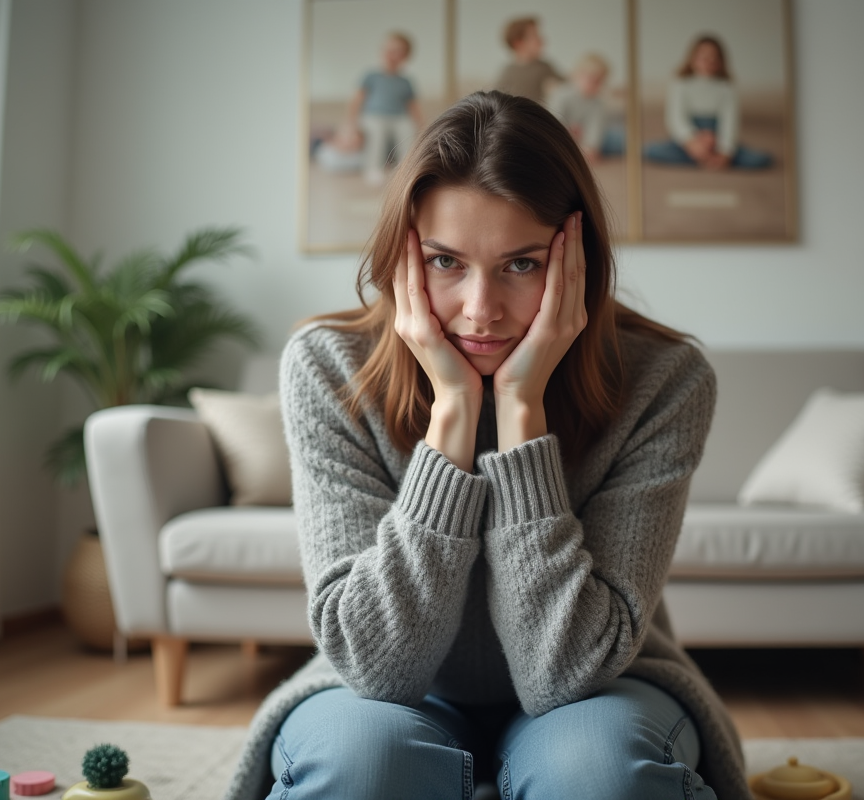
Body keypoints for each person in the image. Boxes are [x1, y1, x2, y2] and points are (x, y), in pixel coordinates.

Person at [222, 91, 751, 800]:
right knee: (363, 767)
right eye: (445, 261)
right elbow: (378, 670)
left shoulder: (665, 380)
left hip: (600, 688)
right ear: (403, 256)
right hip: (387, 696)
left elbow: (565, 673)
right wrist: (454, 415)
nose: (481, 310)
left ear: (577, 260)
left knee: (599, 776)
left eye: (521, 265)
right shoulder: (327, 366)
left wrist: (522, 410)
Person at [643, 35, 772, 170]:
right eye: (703, 56)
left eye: (714, 57)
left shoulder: (726, 88)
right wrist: (692, 142)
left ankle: (711, 160)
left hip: (717, 138)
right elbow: (676, 119)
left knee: (758, 159)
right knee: (652, 151)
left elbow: (730, 122)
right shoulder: (681, 84)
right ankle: (706, 159)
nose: (709, 61)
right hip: (688, 140)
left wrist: (725, 151)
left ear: (721, 61)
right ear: (692, 58)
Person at [345, 31, 425, 185]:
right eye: (389, 49)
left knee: (407, 129)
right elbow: (356, 101)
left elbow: (413, 107)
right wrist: (351, 124)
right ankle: (373, 168)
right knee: (376, 130)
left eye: (398, 51)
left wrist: (422, 127)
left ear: (405, 56)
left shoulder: (406, 82)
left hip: (399, 117)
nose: (392, 54)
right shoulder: (371, 76)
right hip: (373, 116)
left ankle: (405, 170)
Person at [547, 52, 625, 163]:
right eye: (591, 79)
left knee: (620, 138)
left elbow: (595, 128)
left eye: (599, 81)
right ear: (577, 75)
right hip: (562, 137)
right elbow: (553, 120)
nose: (595, 84)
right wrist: (568, 130)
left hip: (588, 139)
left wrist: (590, 148)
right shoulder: (561, 94)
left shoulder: (597, 103)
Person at [495, 17, 563, 104]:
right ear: (518, 43)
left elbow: (566, 86)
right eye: (535, 36)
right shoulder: (508, 72)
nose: (541, 40)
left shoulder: (544, 67)